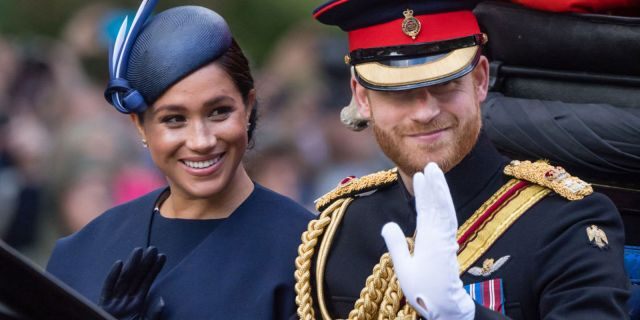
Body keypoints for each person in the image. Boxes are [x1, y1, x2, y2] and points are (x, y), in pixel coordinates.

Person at [294, 0, 630, 319]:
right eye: (400, 94)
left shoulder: (566, 221)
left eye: (446, 86)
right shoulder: (339, 228)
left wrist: (465, 316)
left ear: (480, 80)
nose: (426, 112)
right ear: (362, 98)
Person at [46, 1, 313, 319]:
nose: (201, 141)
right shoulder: (83, 252)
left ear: (248, 107)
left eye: (219, 112)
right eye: (174, 119)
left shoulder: (307, 252)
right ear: (139, 126)